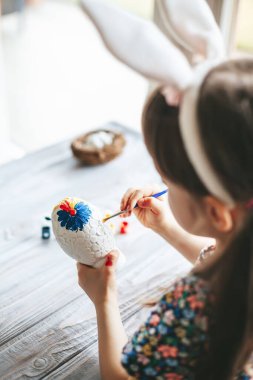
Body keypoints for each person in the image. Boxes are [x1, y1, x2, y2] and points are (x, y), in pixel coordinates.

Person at [77, 59, 253, 380]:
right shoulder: (241, 254)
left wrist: (104, 299)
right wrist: (167, 228)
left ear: (215, 212)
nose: (161, 188)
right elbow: (220, 258)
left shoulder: (193, 307)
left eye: (166, 181)